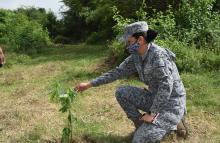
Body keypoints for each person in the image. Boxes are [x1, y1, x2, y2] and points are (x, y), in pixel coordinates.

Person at [74, 21, 188, 143]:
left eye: (128, 42)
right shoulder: (136, 56)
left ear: (140, 40)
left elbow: (166, 87)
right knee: (121, 92)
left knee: (139, 140)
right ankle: (142, 126)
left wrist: (152, 113)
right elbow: (117, 72)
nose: (126, 45)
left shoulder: (159, 56)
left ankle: (175, 123)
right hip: (155, 98)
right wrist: (89, 84)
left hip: (171, 104)